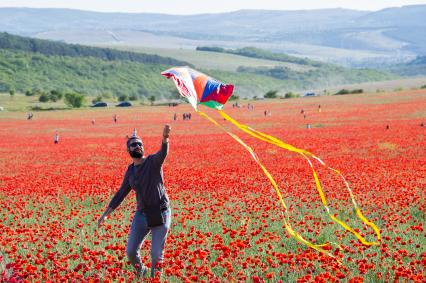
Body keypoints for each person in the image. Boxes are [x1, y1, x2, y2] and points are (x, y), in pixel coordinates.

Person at [97, 125, 172, 278]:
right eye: (134, 144)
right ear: (128, 150)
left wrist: (165, 139)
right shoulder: (131, 171)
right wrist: (106, 214)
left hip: (161, 212)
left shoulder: (153, 162)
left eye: (140, 144)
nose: (138, 146)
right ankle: (142, 271)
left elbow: (163, 153)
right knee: (131, 251)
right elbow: (120, 194)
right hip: (142, 214)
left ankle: (154, 280)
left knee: (156, 254)